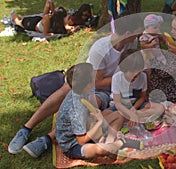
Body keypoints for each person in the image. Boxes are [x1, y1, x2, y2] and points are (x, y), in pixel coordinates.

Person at [8, 12, 143, 157]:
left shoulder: (131, 42)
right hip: (92, 82)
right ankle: (26, 128)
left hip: (104, 91)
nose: (139, 35)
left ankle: (48, 138)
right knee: (66, 91)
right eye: (137, 32)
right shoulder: (101, 49)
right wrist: (122, 77)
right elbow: (97, 82)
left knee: (87, 103)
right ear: (127, 32)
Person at [54, 63, 143, 160]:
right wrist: (100, 122)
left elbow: (91, 113)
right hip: (73, 145)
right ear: (88, 83)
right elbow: (81, 140)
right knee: (99, 149)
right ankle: (121, 143)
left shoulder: (82, 91)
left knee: (119, 115)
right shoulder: (76, 109)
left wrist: (98, 119)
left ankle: (109, 145)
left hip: (88, 126)